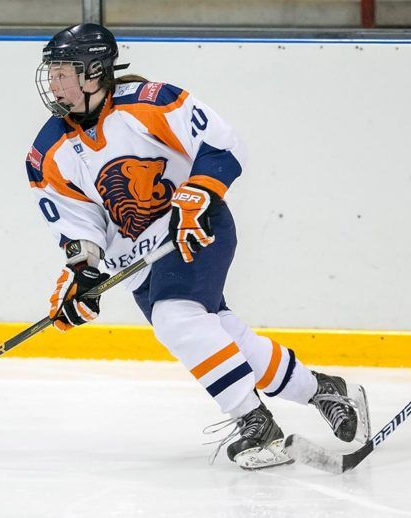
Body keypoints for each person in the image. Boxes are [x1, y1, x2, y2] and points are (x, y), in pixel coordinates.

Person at [25, 23, 371, 469]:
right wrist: (82, 271)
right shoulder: (47, 149)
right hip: (141, 261)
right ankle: (324, 390)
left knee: (176, 317)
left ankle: (255, 423)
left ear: (95, 72)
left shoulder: (150, 103)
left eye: (63, 73)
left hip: (193, 228)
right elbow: (79, 222)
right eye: (51, 74)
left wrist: (201, 192)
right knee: (222, 334)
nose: (54, 84)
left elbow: (222, 144)